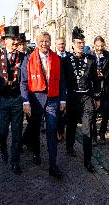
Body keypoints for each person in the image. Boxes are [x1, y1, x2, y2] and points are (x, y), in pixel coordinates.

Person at [20, 32, 66, 178]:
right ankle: (36, 153)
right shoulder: (28, 59)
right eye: (41, 41)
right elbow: (24, 82)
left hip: (52, 99)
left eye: (47, 41)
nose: (44, 43)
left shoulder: (57, 59)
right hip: (35, 99)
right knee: (34, 129)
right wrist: (25, 101)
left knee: (52, 131)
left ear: (50, 42)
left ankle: (53, 165)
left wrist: (63, 99)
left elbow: (62, 81)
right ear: (37, 42)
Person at [0, 26, 25, 175]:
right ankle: (3, 148)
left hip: (17, 99)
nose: (16, 42)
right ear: (6, 41)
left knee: (17, 132)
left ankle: (15, 161)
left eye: (17, 39)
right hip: (2, 100)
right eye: (13, 39)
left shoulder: (22, 57)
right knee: (2, 132)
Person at [63, 27, 100, 173]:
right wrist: (62, 100)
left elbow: (96, 80)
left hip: (86, 98)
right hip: (72, 97)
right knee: (71, 125)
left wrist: (96, 97)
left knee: (87, 129)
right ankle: (69, 146)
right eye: (78, 42)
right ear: (72, 44)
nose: (80, 45)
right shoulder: (65, 60)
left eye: (82, 42)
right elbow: (63, 81)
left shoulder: (91, 59)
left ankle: (88, 160)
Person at [93, 36, 109, 145]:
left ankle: (102, 132)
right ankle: (93, 135)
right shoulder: (89, 55)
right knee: (93, 113)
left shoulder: (108, 55)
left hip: (106, 88)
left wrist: (105, 75)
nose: (100, 48)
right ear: (94, 45)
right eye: (97, 46)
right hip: (93, 88)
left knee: (106, 111)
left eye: (102, 46)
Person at [56, 37, 70, 142]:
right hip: (57, 87)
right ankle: (59, 132)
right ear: (56, 44)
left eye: (63, 44)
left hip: (69, 87)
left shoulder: (69, 56)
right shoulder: (53, 56)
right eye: (60, 44)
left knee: (67, 112)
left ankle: (65, 132)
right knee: (59, 112)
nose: (62, 46)